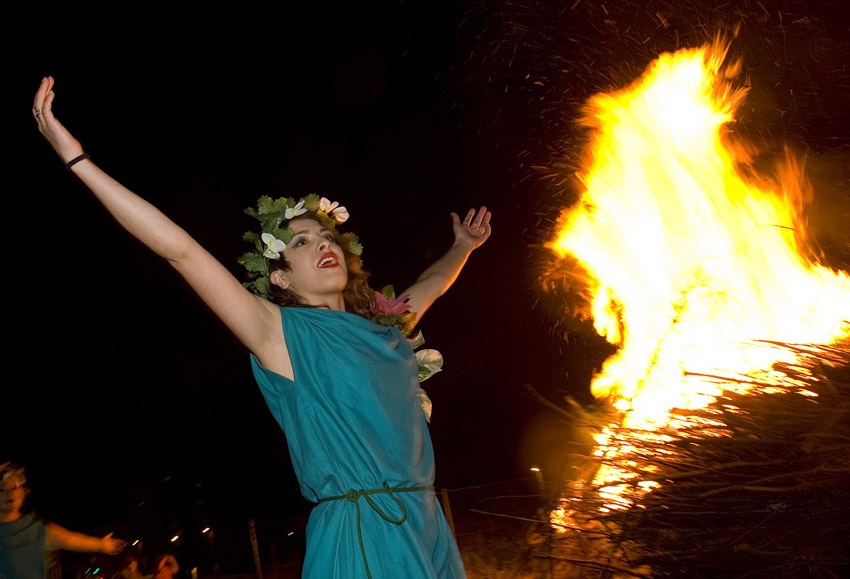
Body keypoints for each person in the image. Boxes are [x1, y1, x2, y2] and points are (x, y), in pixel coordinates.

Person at [32, 76, 492, 579]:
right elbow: (181, 250)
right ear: (279, 275)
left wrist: (464, 245)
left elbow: (430, 283)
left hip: (428, 527)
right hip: (364, 531)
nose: (323, 244)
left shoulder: (386, 328)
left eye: (325, 236)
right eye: (300, 242)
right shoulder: (281, 333)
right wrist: (79, 162)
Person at [0, 461, 127, 579]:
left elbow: (69, 539)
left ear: (23, 490)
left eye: (14, 487)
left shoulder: (35, 528)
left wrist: (101, 545)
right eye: (1, 489)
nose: (9, 494)